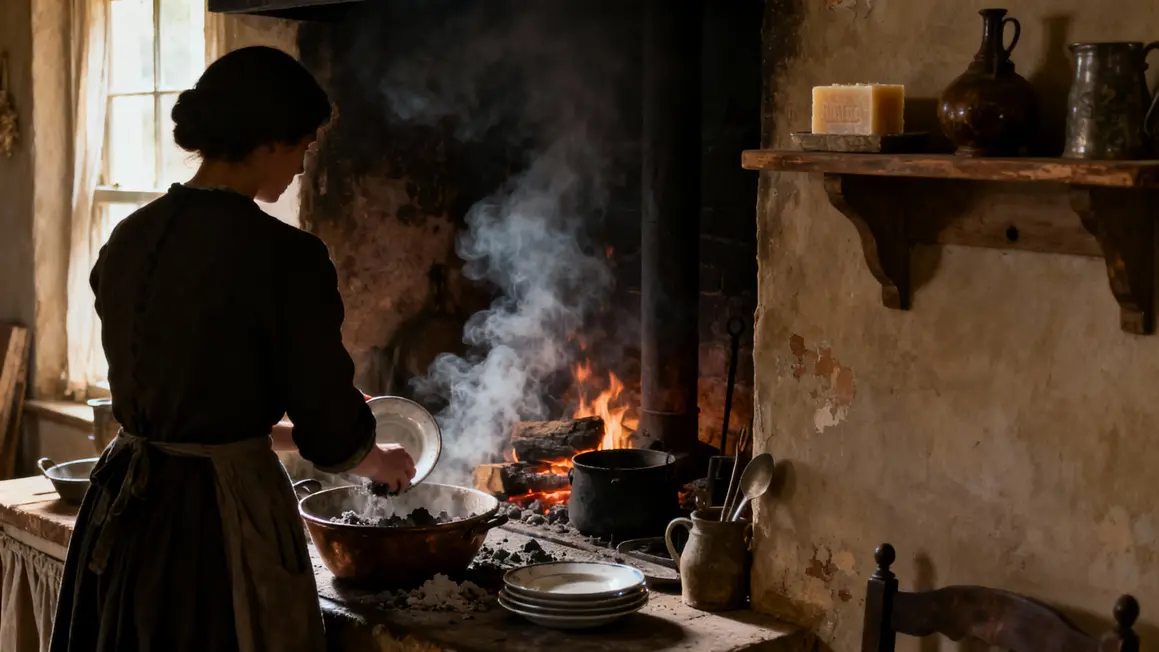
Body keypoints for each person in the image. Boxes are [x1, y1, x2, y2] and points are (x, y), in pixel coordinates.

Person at [49, 46, 415, 652]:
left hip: (123, 509)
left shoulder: (130, 238)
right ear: (268, 141)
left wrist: (319, 431)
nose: (302, 166)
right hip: (211, 527)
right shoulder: (287, 257)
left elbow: (202, 402)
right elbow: (328, 428)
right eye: (302, 145)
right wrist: (373, 456)